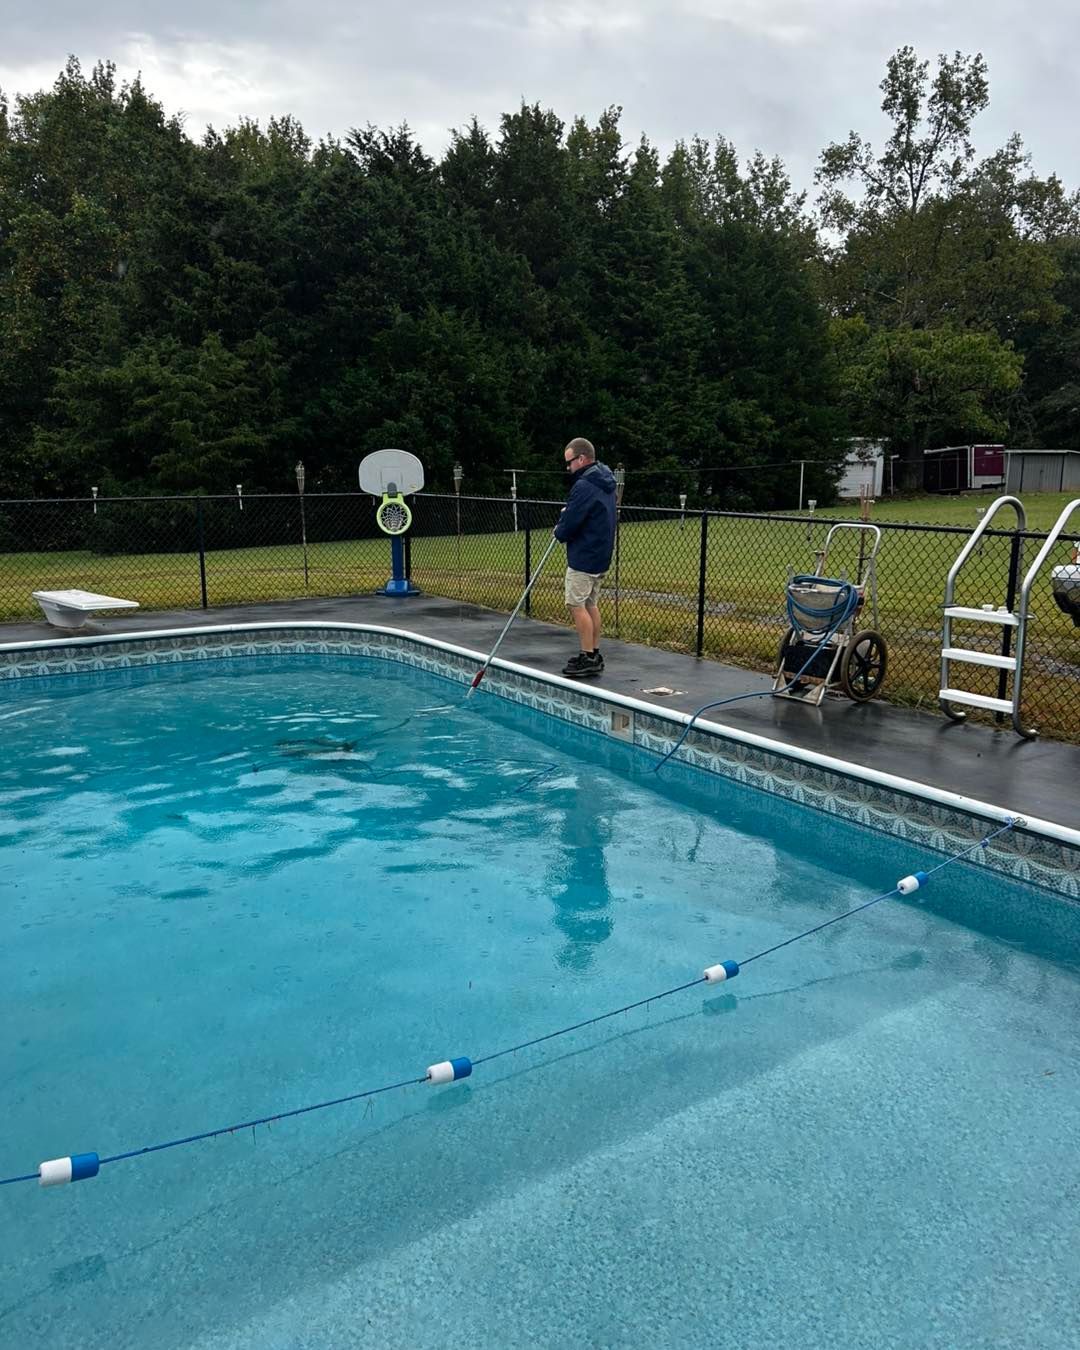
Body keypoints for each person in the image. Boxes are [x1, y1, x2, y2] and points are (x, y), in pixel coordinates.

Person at [553, 437, 617, 678]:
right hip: (600, 554)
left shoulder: (585, 485)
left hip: (584, 555)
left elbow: (571, 522)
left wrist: (559, 531)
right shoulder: (605, 479)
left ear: (581, 459)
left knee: (575, 604)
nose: (568, 468)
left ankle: (587, 656)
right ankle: (594, 652)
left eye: (569, 462)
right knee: (590, 603)